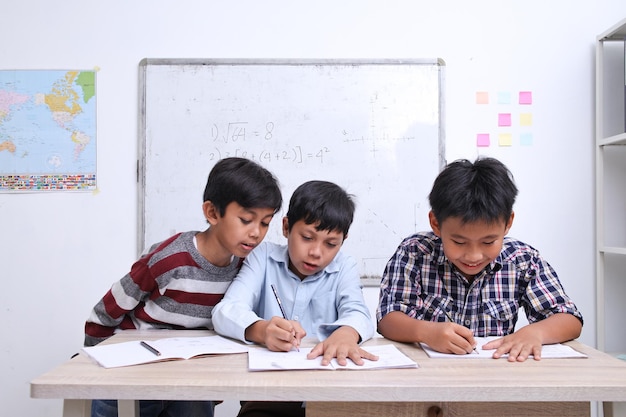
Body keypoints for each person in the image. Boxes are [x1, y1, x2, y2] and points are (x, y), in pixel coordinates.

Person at [85, 157, 282, 417]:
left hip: (188, 381)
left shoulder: (246, 267)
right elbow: (106, 312)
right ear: (212, 213)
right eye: (246, 220)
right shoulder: (169, 260)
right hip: (132, 375)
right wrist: (95, 364)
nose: (256, 232)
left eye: (265, 223)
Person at [377, 157, 583, 363]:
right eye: (458, 242)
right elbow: (388, 319)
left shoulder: (522, 260)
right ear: (436, 224)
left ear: (508, 223)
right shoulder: (415, 253)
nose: (473, 256)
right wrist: (426, 332)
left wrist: (535, 333)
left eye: (488, 242)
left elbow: (569, 319)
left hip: (496, 377)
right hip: (431, 376)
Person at [212, 180, 377, 417]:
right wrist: (261, 329)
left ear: (343, 240)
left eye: (331, 244)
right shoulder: (263, 257)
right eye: (307, 237)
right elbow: (226, 310)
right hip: (269, 394)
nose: (316, 252)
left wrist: (346, 333)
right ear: (287, 227)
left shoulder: (344, 266)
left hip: (327, 393)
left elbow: (359, 313)